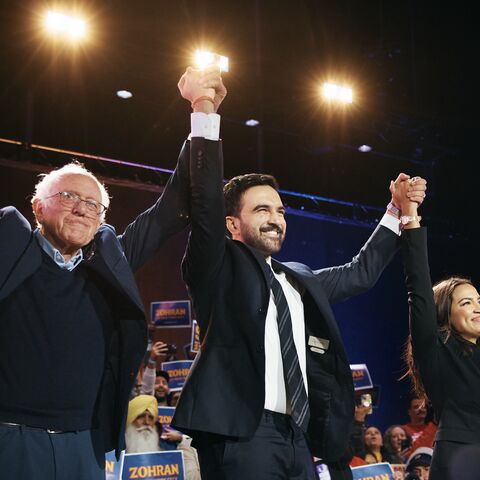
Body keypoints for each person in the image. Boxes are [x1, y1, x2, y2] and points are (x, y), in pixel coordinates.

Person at [171, 65, 427, 480]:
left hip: (297, 437)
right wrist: (204, 110)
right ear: (232, 224)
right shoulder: (217, 266)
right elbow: (203, 202)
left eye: (280, 211)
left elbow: (359, 273)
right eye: (261, 210)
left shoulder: (298, 278)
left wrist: (395, 211)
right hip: (240, 433)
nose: (276, 219)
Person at [0, 66, 226, 479]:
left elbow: (176, 202)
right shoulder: (9, 246)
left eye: (93, 204)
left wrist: (201, 109)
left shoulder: (110, 261)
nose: (82, 208)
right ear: (37, 207)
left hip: (83, 445)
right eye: (67, 196)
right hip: (9, 439)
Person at [399, 180, 480, 479]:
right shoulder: (435, 349)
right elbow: (418, 281)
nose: (478, 307)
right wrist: (409, 210)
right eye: (467, 303)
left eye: (479, 300)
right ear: (446, 313)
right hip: (460, 461)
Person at [125, 395, 201, 480]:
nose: (146, 422)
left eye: (150, 417)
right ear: (130, 419)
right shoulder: (116, 453)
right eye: (140, 416)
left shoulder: (170, 448)